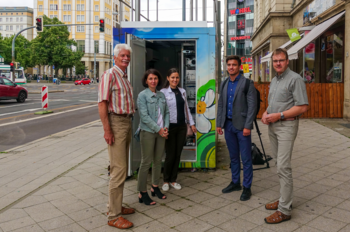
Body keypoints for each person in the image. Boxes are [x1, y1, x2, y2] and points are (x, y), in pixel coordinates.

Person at [261, 48, 308, 224]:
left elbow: (302, 107)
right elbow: (273, 104)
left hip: (286, 126)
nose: (278, 63)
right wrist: (266, 113)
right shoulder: (274, 80)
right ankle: (284, 200)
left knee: (283, 166)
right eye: (275, 61)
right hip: (273, 126)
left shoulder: (295, 79)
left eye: (281, 60)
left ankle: (285, 210)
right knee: (278, 164)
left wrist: (279, 115)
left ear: (287, 61)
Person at [98, 44, 135, 229]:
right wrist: (107, 130)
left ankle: (115, 206)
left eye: (128, 56)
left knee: (121, 167)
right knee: (118, 170)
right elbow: (102, 104)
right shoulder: (110, 75)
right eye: (122, 55)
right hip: (117, 123)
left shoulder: (124, 77)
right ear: (115, 57)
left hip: (126, 122)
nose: (126, 58)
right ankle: (113, 216)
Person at [216, 55, 257, 201]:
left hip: (242, 127)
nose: (231, 67)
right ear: (226, 66)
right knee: (233, 157)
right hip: (228, 125)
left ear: (239, 66)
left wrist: (248, 126)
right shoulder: (224, 83)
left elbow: (252, 106)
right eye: (229, 64)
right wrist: (219, 124)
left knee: (245, 158)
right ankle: (235, 182)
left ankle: (247, 187)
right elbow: (221, 104)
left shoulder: (247, 83)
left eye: (234, 65)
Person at [160, 68, 197, 191]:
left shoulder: (182, 91)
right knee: (170, 155)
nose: (175, 80)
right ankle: (166, 180)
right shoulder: (163, 92)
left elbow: (186, 109)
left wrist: (191, 124)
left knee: (178, 154)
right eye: (172, 77)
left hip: (182, 127)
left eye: (177, 77)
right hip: (169, 127)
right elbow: (160, 112)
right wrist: (162, 128)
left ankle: (173, 180)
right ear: (168, 78)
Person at [137, 69, 169, 205]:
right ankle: (142, 192)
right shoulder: (142, 96)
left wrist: (166, 128)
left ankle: (155, 187)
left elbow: (167, 112)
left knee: (157, 161)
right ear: (146, 81)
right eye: (150, 79)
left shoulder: (161, 95)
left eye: (155, 78)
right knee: (146, 162)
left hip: (162, 132)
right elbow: (144, 117)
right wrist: (159, 130)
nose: (153, 81)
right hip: (148, 132)